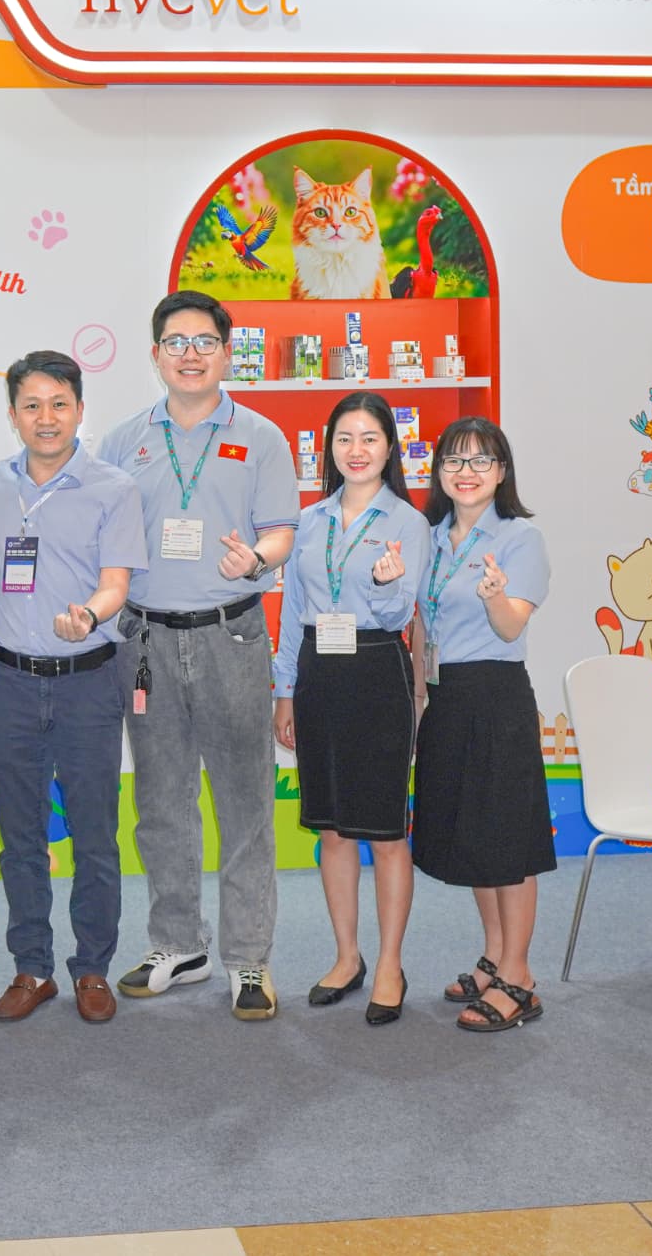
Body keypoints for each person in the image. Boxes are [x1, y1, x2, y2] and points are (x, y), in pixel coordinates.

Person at [97, 290, 298, 1020]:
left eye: (204, 341)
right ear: (155, 355)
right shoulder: (122, 442)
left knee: (244, 801)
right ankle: (178, 945)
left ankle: (249, 958)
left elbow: (281, 532)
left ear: (226, 352)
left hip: (231, 634)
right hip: (145, 640)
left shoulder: (261, 437)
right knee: (160, 802)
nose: (190, 354)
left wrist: (257, 560)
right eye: (176, 342)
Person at [0, 351, 147, 1026]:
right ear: (13, 414)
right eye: (31, 405)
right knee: (20, 838)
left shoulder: (114, 487)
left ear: (79, 409)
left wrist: (89, 614)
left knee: (94, 835)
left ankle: (92, 967)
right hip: (10, 683)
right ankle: (32, 967)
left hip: (87, 683)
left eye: (58, 404)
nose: (45, 418)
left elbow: (116, 582)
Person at [272, 393, 431, 1025]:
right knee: (333, 829)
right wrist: (284, 689)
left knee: (386, 831)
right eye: (345, 439)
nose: (356, 450)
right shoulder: (309, 520)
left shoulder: (408, 523)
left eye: (369, 438)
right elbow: (292, 612)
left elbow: (400, 616)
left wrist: (388, 584)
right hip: (318, 671)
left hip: (377, 670)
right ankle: (347, 957)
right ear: (329, 449)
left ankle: (390, 963)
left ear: (389, 448)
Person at [411, 415, 554, 1034]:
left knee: (507, 841)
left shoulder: (520, 538)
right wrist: (419, 699)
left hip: (496, 697)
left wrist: (496, 593)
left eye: (480, 461)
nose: (465, 472)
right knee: (474, 836)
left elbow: (511, 624)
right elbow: (421, 624)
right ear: (438, 471)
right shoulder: (429, 537)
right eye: (454, 460)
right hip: (446, 698)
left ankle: (520, 976)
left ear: (501, 473)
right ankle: (494, 956)